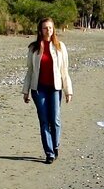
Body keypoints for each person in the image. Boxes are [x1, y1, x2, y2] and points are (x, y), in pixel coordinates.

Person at [22, 17, 73, 164]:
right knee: (44, 121)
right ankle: (49, 152)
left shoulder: (60, 47)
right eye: (45, 28)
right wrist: (26, 91)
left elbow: (64, 70)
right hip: (38, 89)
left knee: (55, 119)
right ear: (40, 30)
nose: (48, 30)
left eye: (50, 28)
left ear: (53, 29)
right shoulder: (34, 48)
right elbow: (30, 71)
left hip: (55, 88)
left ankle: (55, 145)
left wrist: (68, 91)